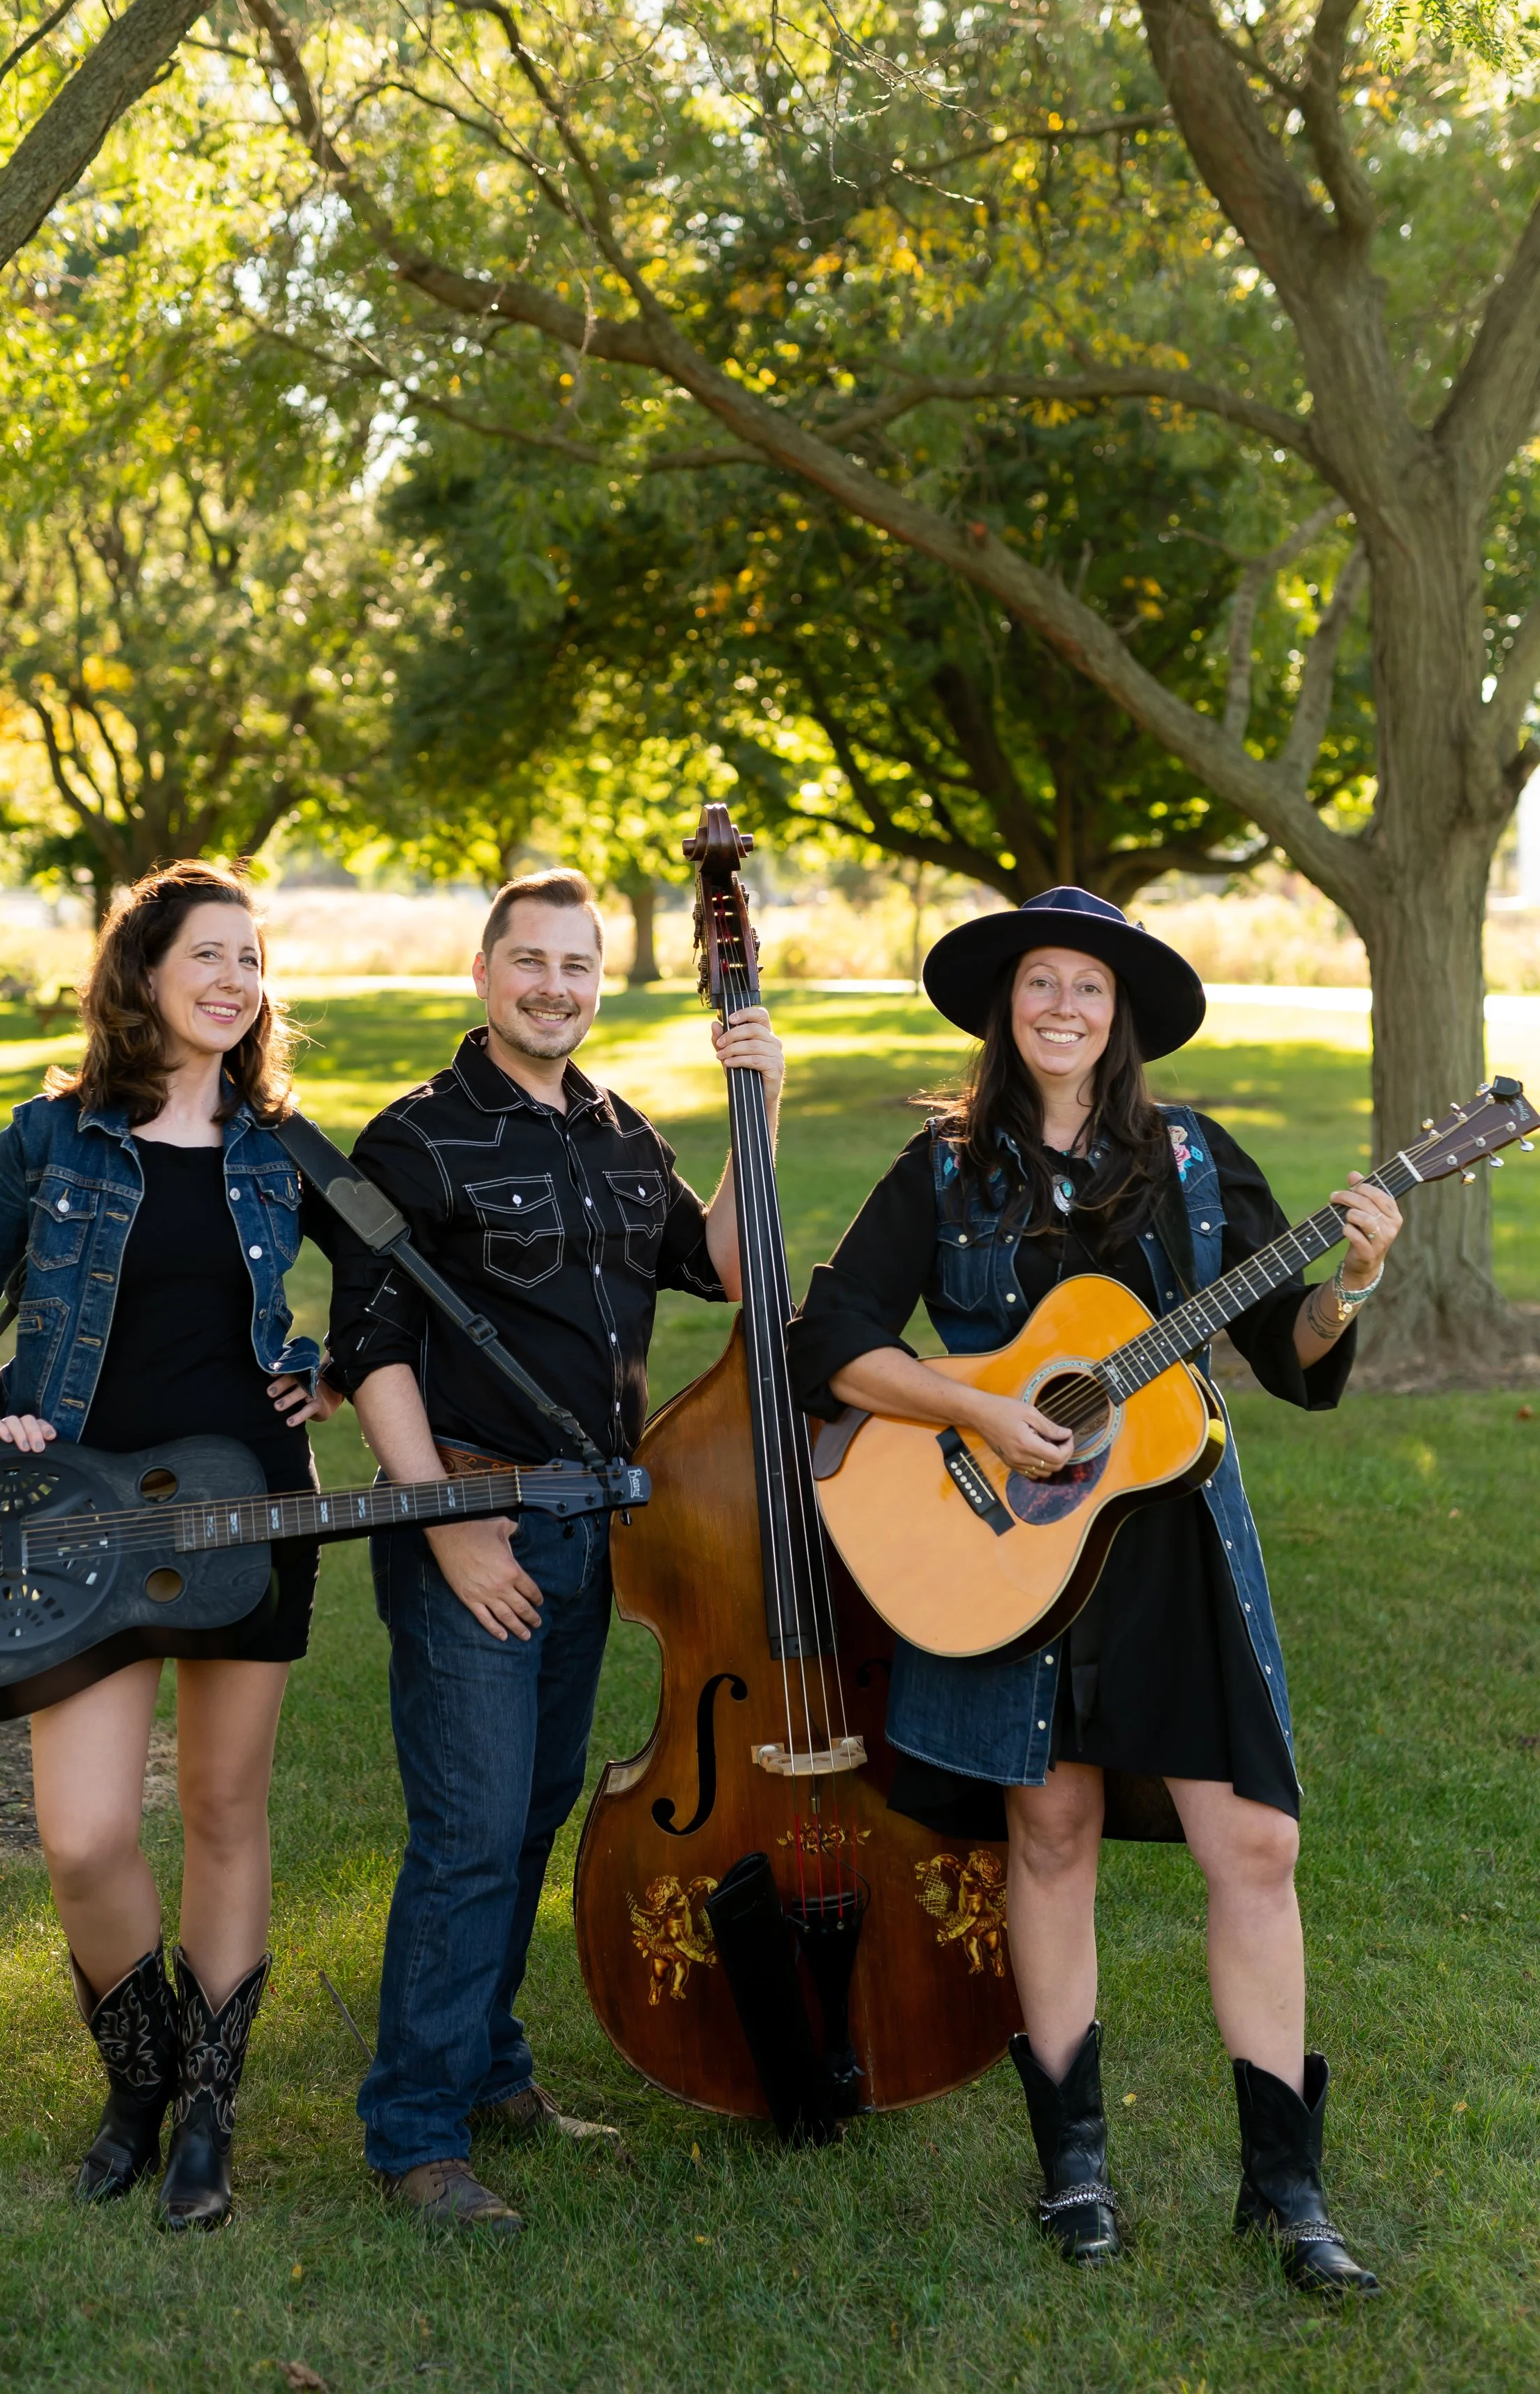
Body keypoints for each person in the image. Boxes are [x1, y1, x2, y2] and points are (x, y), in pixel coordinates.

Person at [787, 886, 1401, 2296]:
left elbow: (1289, 1354)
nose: (1062, 1007)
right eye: (1038, 984)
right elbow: (834, 1336)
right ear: (1005, 1008)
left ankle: (1285, 2189)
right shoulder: (943, 1168)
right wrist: (975, 1408)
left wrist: (1350, 1282)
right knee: (1046, 1832)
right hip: (1003, 1539)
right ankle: (1072, 2167)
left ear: (1119, 1017)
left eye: (1087, 989)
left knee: (1251, 1845)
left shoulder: (1188, 1163)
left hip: (1170, 1537)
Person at [324, 866, 784, 2234]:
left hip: (593, 1526)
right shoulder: (409, 1140)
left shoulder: (616, 1129)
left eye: (577, 967)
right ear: (483, 973)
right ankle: (412, 2129)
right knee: (466, 1829)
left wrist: (757, 1097)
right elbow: (370, 1354)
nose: (555, 988)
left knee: (529, 1816)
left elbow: (734, 1267)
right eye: (530, 961)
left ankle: (486, 2066)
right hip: (471, 1519)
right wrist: (449, 1526)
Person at [0, 862, 341, 2230]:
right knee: (85, 1833)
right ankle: (138, 2078)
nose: (234, 982)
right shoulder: (53, 1137)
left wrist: (333, 1366)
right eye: (208, 956)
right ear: (143, 972)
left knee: (226, 1811)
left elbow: (399, 1278)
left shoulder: (283, 1143)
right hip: (75, 1524)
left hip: (250, 1510)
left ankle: (208, 2115)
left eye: (251, 960)